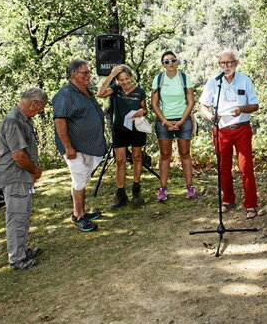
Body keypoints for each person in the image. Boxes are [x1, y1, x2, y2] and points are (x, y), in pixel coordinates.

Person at [200, 49, 260, 219]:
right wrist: (210, 115)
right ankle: (227, 199)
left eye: (230, 62)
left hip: (241, 128)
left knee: (246, 168)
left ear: (236, 63)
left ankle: (250, 204)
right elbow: (204, 106)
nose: (226, 66)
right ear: (219, 65)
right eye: (223, 63)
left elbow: (255, 105)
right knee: (223, 168)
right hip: (221, 130)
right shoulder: (213, 82)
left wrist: (242, 109)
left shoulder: (245, 80)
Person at [0, 88, 47, 269]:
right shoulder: (13, 121)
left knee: (23, 215)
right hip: (14, 176)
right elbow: (19, 156)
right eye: (40, 109)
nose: (39, 112)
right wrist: (35, 170)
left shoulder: (22, 119)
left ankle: (22, 250)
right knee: (16, 217)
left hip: (20, 176)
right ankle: (17, 259)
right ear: (34, 104)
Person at [53, 59, 107, 232]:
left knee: (82, 178)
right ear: (73, 74)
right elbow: (60, 121)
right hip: (75, 147)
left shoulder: (84, 91)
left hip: (88, 146)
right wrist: (68, 147)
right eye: (85, 73)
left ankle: (80, 211)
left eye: (88, 72)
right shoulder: (65, 95)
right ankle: (79, 216)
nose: (88, 75)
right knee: (79, 179)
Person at [97, 65, 148, 208]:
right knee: (120, 161)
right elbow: (100, 93)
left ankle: (136, 189)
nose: (125, 82)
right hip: (119, 128)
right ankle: (120, 193)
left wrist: (141, 111)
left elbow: (145, 108)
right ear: (117, 81)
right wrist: (111, 75)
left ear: (131, 77)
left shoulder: (139, 92)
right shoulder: (115, 90)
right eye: (121, 80)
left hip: (136, 128)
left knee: (137, 157)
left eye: (127, 79)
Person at [151, 51, 197, 201]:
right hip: (164, 121)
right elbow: (154, 103)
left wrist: (182, 121)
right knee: (165, 155)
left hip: (183, 120)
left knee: (185, 154)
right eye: (166, 61)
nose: (170, 63)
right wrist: (164, 121)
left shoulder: (184, 78)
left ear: (177, 62)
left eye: (172, 60)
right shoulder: (158, 79)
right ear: (162, 64)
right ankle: (163, 189)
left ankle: (189, 187)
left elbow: (191, 101)